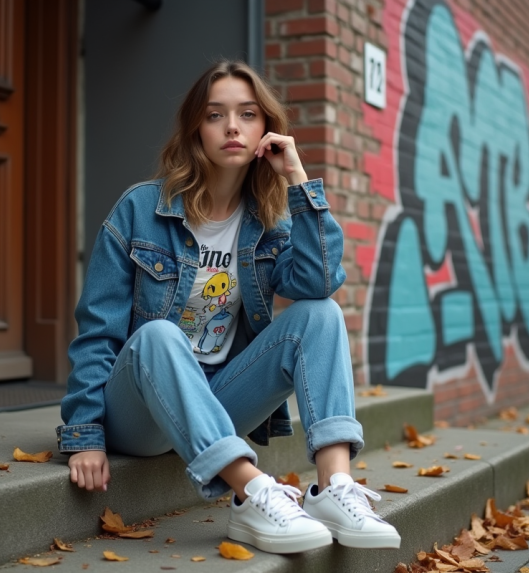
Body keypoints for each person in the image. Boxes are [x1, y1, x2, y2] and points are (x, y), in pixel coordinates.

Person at [56, 60, 401, 554]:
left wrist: (299, 182)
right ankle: (252, 491)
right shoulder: (140, 209)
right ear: (197, 127)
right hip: (140, 411)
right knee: (159, 335)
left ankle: (334, 487)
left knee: (320, 314)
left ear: (267, 129)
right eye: (216, 115)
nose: (233, 127)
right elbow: (97, 331)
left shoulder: (270, 221)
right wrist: (85, 434)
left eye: (248, 114)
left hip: (217, 399)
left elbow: (317, 282)